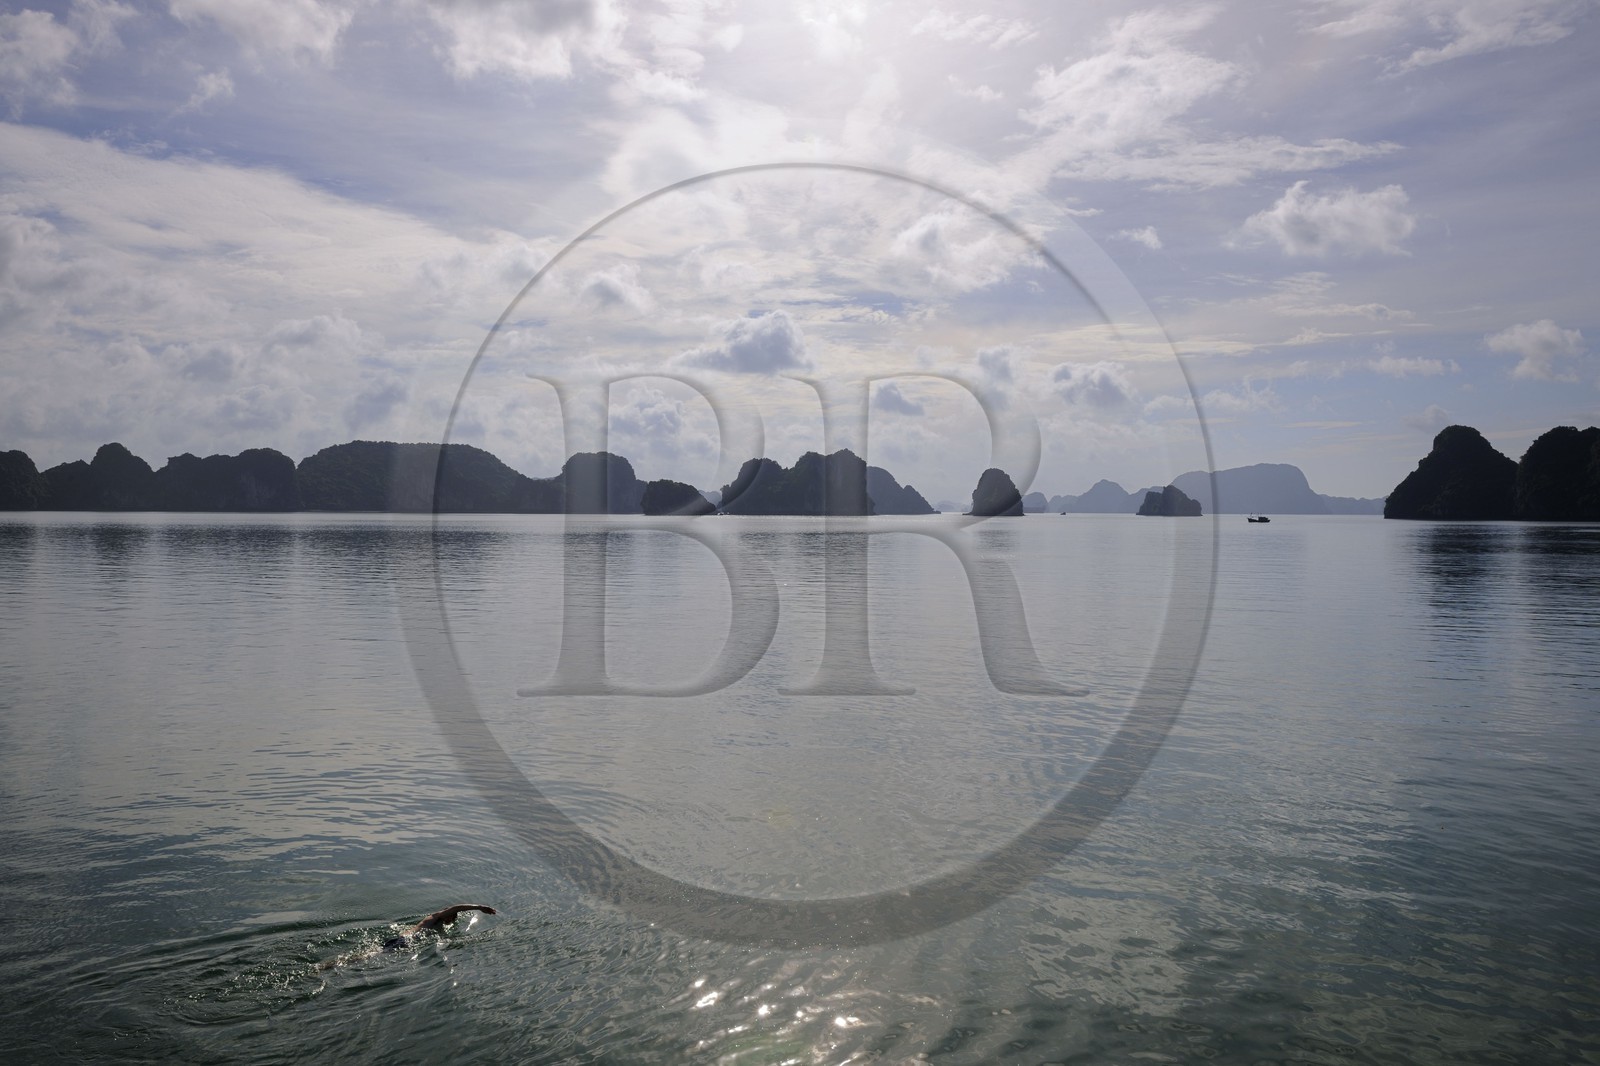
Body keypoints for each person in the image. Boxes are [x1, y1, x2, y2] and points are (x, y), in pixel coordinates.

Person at [381, 904, 497, 952]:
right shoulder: (434, 917)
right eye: (451, 917)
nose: (451, 920)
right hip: (404, 941)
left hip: (406, 943)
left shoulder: (438, 925)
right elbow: (457, 908)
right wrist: (479, 907)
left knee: (376, 954)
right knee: (373, 955)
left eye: (453, 919)